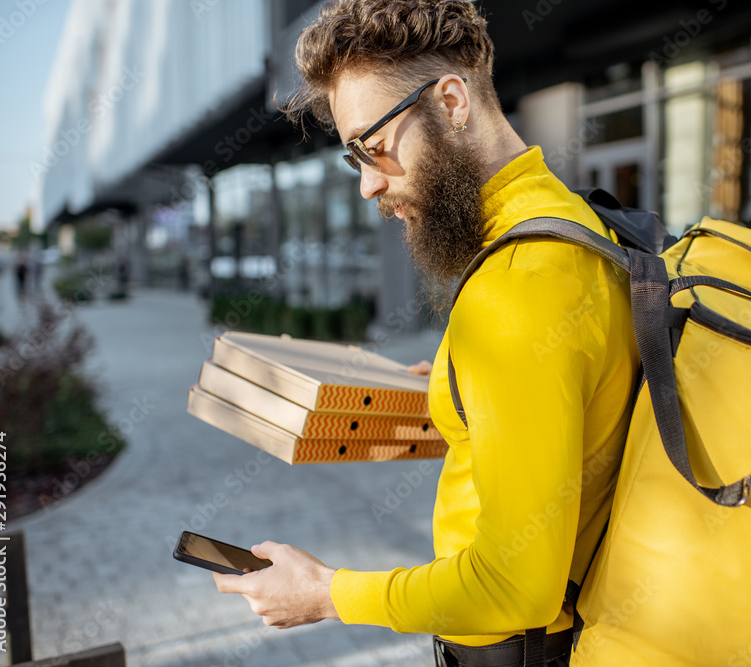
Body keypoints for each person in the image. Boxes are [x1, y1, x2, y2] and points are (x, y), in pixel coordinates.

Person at [212, 2, 637, 664]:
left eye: (373, 148)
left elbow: (511, 586)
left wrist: (326, 593)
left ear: (451, 101)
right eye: (353, 160)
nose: (367, 186)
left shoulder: (518, 285)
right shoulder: (579, 225)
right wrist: (458, 399)